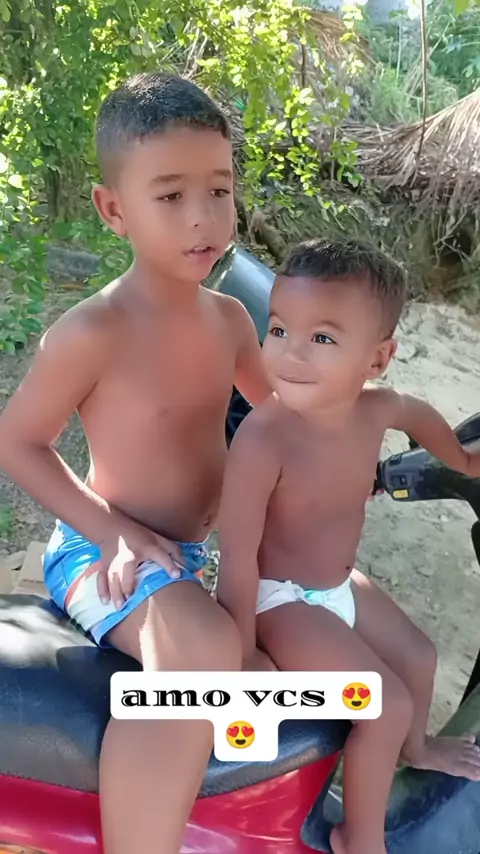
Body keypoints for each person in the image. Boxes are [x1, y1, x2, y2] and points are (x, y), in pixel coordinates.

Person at [0, 72, 273, 854]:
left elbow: (283, 420)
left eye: (219, 190)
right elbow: (17, 441)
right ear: (113, 208)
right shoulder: (94, 331)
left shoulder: (231, 320)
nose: (202, 217)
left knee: (320, 630)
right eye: (171, 195)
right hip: (104, 553)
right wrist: (110, 530)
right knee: (204, 655)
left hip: (192, 556)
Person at [216, 237, 480, 854]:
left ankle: (415, 751)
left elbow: (418, 416)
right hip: (278, 600)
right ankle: (357, 837)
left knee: (419, 657)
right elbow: (237, 556)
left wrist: (463, 460)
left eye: (322, 338)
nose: (290, 352)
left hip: (337, 584)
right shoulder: (264, 438)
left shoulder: (376, 409)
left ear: (377, 358)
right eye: (279, 329)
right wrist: (243, 654)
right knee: (383, 705)